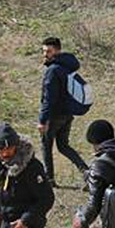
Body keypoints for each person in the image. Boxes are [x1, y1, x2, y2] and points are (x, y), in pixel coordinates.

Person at [38, 37, 88, 186]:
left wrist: (42, 120)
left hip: (54, 116)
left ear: (57, 51)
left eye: (49, 51)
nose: (45, 54)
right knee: (64, 146)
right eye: (44, 51)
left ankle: (50, 180)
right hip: (67, 114)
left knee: (46, 146)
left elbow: (49, 99)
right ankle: (88, 173)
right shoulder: (67, 66)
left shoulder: (53, 70)